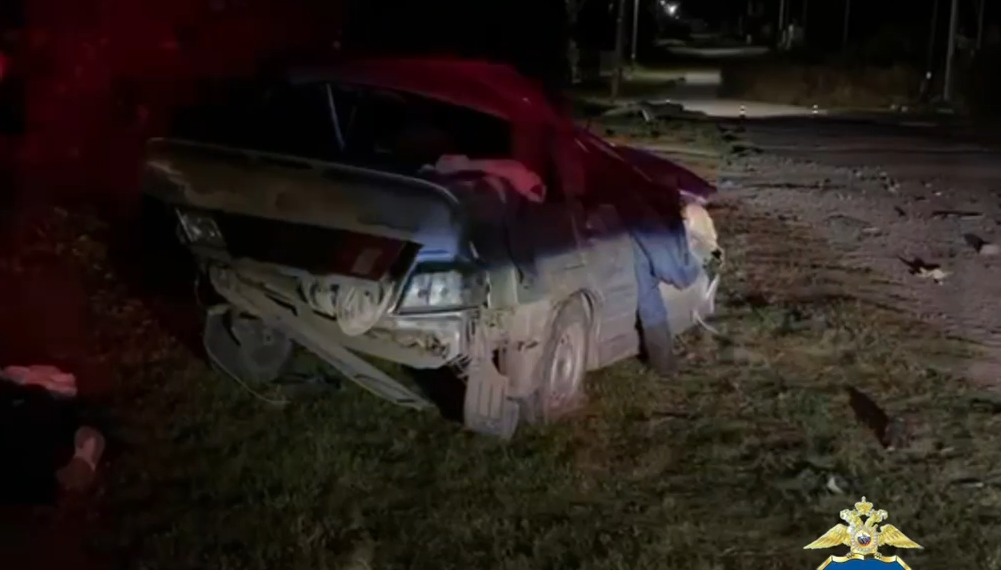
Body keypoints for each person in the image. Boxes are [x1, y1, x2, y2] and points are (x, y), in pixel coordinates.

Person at [618, 187, 703, 377]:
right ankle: (663, 365)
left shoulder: (637, 209)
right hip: (628, 289)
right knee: (649, 299)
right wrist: (699, 264)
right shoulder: (644, 215)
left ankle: (662, 363)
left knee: (648, 297)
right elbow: (677, 274)